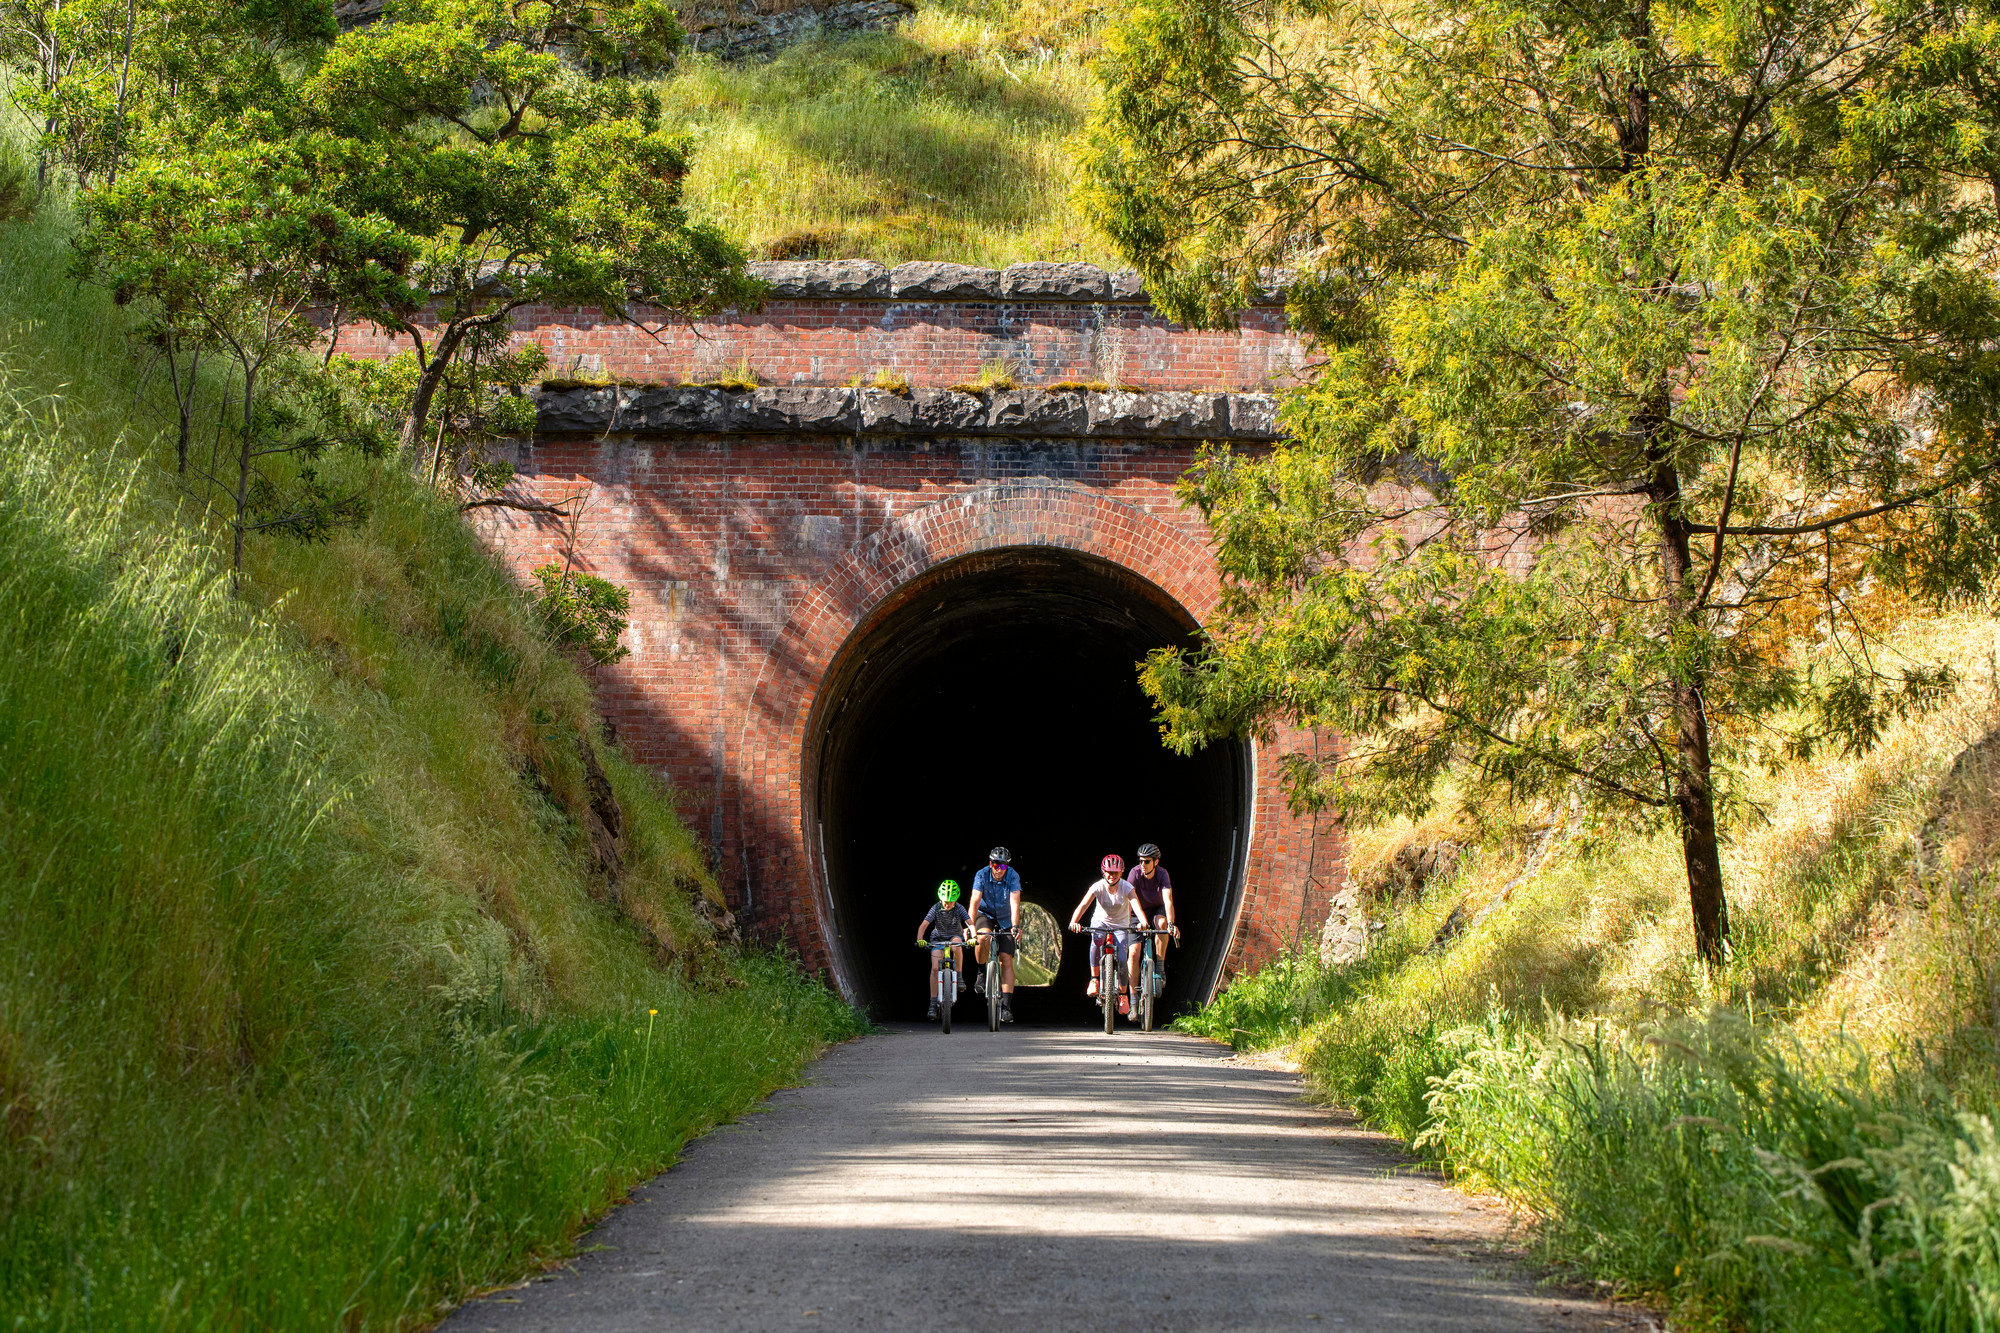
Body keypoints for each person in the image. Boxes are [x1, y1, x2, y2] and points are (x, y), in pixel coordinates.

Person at [1067, 854, 1143, 1018]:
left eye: (1115, 873)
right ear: (1103, 871)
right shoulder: (1098, 886)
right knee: (1097, 938)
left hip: (1121, 925)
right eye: (1108, 872)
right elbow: (1083, 905)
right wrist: (1074, 921)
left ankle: (1123, 995)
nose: (1111, 875)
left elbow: (1136, 905)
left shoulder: (1127, 887)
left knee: (1123, 958)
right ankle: (1094, 979)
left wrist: (1143, 922)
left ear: (1121, 872)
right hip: (1100, 921)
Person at [967, 846, 1023, 1023]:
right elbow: (974, 902)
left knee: (1006, 957)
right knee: (982, 937)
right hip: (986, 914)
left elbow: (1015, 903)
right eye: (996, 865)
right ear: (990, 864)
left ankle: (1006, 1007)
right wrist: (970, 927)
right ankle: (981, 973)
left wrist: (1015, 926)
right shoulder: (981, 875)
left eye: (1003, 866)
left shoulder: (1013, 876)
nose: (999, 869)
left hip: (1006, 917)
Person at [915, 879, 972, 1020]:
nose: (947, 904)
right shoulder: (935, 908)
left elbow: (970, 923)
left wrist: (974, 937)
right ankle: (933, 1003)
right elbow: (923, 925)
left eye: (951, 901)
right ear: (940, 897)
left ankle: (958, 976)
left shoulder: (959, 908)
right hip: (938, 939)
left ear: (956, 900)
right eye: (945, 901)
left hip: (954, 936)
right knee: (935, 969)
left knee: (957, 944)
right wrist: (920, 939)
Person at [1124, 843, 1179, 985]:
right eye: (1141, 861)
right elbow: (1129, 900)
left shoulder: (1162, 874)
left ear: (1156, 862)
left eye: (1147, 861)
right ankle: (1134, 1000)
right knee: (1134, 953)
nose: (1143, 864)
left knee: (1162, 924)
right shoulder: (1134, 873)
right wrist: (1126, 923)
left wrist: (1171, 924)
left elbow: (1168, 901)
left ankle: (1160, 967)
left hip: (1156, 909)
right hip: (1137, 913)